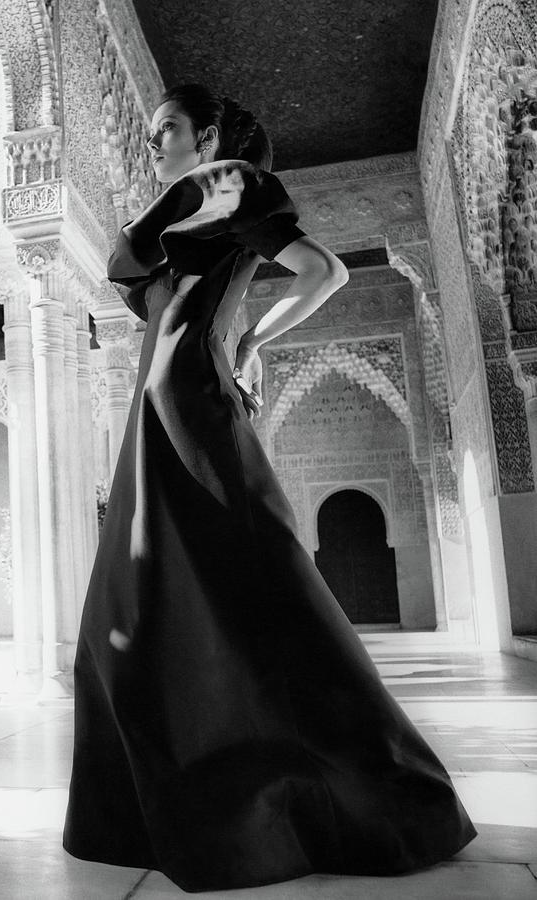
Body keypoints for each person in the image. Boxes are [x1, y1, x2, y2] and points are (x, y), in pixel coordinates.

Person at [61, 83, 477, 893]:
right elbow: (134, 276)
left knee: (257, 584)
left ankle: (367, 793)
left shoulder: (231, 184)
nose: (155, 144)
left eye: (166, 131)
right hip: (158, 408)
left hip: (188, 404)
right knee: (139, 602)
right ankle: (174, 807)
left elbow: (319, 272)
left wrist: (249, 337)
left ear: (208, 134)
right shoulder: (193, 206)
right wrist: (236, 333)